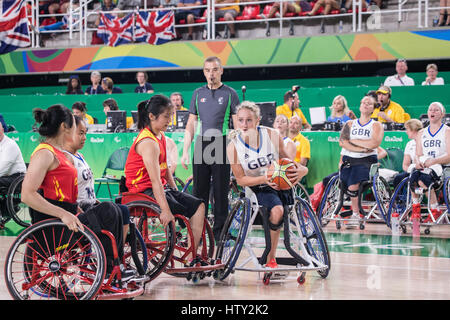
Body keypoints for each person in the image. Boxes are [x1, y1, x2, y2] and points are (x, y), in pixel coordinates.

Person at [21, 105, 127, 275]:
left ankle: (115, 266)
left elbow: (63, 195)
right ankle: (109, 270)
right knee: (109, 210)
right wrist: (63, 214)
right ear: (65, 127)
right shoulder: (44, 154)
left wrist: (74, 210)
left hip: (70, 220)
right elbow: (27, 194)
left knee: (116, 209)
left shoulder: (62, 155)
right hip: (55, 228)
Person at [227, 101, 308, 269]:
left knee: (283, 204)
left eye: (249, 120)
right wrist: (264, 179)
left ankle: (272, 255)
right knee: (277, 210)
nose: (244, 124)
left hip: (278, 182)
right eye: (240, 120)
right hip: (255, 187)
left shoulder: (272, 135)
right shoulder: (233, 147)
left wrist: (301, 171)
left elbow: (287, 163)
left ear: (258, 120)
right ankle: (271, 257)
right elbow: (241, 180)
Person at [125, 95, 206, 258]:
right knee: (184, 209)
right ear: (152, 116)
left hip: (160, 188)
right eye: (166, 116)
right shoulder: (147, 142)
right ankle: (192, 256)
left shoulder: (160, 136)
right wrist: (165, 210)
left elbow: (166, 170)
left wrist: (177, 192)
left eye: (171, 116)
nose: (170, 120)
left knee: (200, 206)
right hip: (143, 191)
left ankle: (192, 255)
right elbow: (155, 181)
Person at [181, 56, 240, 241]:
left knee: (221, 190)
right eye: (207, 70)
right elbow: (191, 123)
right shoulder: (198, 93)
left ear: (221, 70)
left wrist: (239, 149)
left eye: (214, 70)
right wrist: (185, 151)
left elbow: (237, 123)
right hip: (201, 143)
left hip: (221, 142)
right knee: (199, 191)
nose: (211, 74)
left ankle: (220, 233)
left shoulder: (230, 93)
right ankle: (197, 233)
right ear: (204, 72)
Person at [63, 115, 131, 245]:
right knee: (112, 212)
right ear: (68, 133)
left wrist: (96, 201)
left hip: (90, 204)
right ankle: (111, 255)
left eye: (85, 134)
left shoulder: (80, 155)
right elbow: (67, 193)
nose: (84, 138)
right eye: (81, 134)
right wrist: (79, 211)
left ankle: (118, 251)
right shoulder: (67, 158)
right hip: (80, 209)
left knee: (123, 210)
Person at [338, 95, 384, 227]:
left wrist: (353, 141)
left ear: (373, 108)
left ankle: (356, 214)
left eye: (369, 103)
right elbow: (342, 142)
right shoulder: (349, 123)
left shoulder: (376, 125)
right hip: (350, 159)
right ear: (359, 106)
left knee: (353, 183)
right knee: (340, 179)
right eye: (363, 102)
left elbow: (375, 143)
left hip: (367, 161)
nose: (365, 104)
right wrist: (361, 148)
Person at [411, 102, 450, 223]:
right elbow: (418, 154)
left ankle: (435, 209)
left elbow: (449, 155)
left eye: (436, 110)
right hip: (425, 165)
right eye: (430, 110)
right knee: (413, 176)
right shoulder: (421, 133)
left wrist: (434, 161)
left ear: (442, 114)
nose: (432, 112)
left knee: (424, 179)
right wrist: (417, 162)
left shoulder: (447, 131)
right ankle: (415, 208)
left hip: (442, 166)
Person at [0, 121, 26, 214]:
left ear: (3, 130)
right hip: (5, 176)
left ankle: (7, 209)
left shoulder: (10, 145)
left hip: (16, 177)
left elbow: (3, 168)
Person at [392, 118, 423, 187]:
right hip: (413, 170)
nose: (406, 132)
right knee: (398, 178)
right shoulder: (409, 144)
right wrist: (411, 170)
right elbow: (405, 165)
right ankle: (399, 197)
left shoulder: (425, 141)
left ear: (413, 130)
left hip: (424, 170)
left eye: (407, 129)